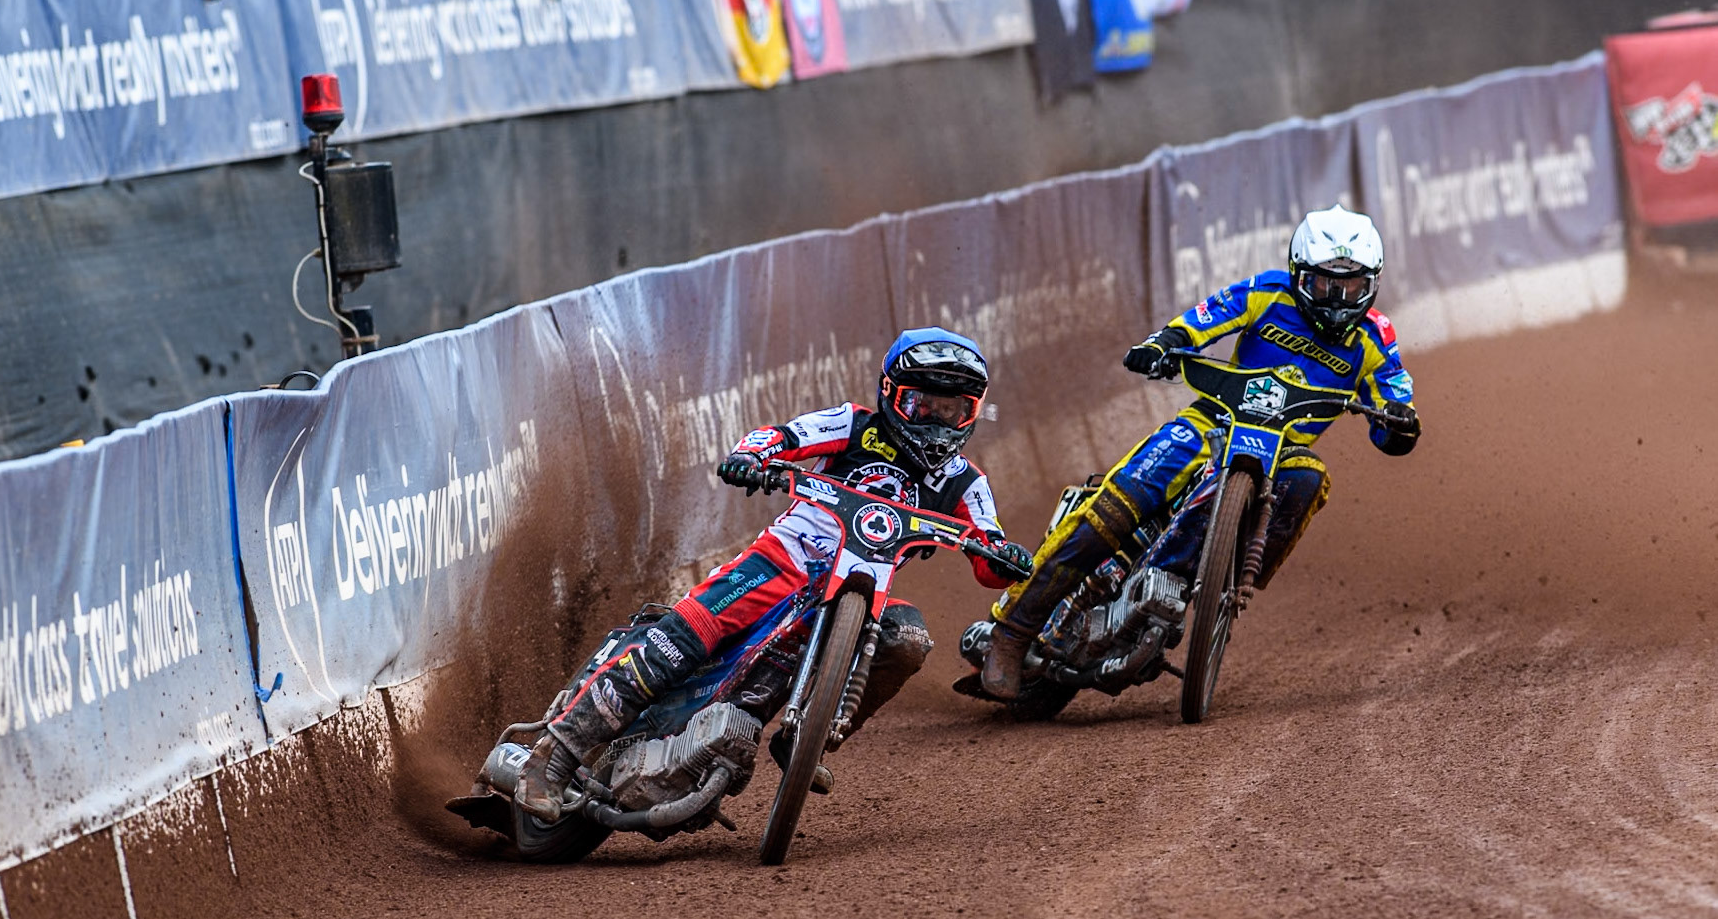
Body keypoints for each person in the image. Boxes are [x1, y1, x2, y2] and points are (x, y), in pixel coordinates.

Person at [517, 329, 1033, 820]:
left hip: (861, 595)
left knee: (909, 640)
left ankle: (811, 733)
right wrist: (753, 455)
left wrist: (1007, 557)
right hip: (783, 561)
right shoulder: (854, 425)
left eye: (954, 411)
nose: (938, 423)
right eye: (925, 406)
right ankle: (554, 756)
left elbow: (989, 548)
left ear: (973, 411)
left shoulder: (967, 482)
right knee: (681, 641)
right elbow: (782, 437)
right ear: (891, 395)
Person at [981, 206, 1421, 699]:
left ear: (1373, 284)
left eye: (1352, 287)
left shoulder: (1376, 336)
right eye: (1323, 285)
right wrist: (1163, 344)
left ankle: (1223, 579)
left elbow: (1392, 407)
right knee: (1114, 505)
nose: (1338, 300)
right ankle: (1012, 635)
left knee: (1311, 478)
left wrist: (1400, 425)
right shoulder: (1267, 291)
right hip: (1211, 422)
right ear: (1299, 273)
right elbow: (1201, 321)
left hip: (1285, 452)